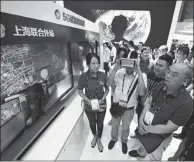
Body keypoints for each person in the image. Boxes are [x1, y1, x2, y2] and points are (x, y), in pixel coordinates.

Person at [128, 63, 193, 160]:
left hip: (161, 136)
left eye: (174, 75)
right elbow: (149, 102)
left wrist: (146, 128)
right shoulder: (161, 84)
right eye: (168, 71)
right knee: (144, 143)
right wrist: (141, 121)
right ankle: (141, 152)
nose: (168, 75)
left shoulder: (187, 103)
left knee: (152, 157)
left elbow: (170, 128)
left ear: (185, 81)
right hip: (147, 124)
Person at [107, 51, 147, 154]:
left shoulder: (141, 75)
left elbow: (142, 92)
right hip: (117, 105)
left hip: (129, 108)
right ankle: (114, 139)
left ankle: (124, 141)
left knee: (125, 127)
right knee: (115, 126)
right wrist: (116, 68)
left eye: (132, 62)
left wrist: (138, 70)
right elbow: (108, 83)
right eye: (128, 61)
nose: (129, 65)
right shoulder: (119, 72)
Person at [130, 54, 173, 138]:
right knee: (140, 118)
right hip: (142, 103)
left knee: (150, 125)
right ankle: (138, 131)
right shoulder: (149, 74)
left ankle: (145, 136)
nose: (157, 67)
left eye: (160, 66)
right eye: (156, 64)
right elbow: (141, 91)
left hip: (154, 109)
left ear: (168, 68)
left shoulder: (168, 82)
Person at [77, 53, 109, 152]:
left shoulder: (103, 75)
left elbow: (107, 89)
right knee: (92, 123)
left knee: (100, 123)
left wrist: (103, 98)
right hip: (89, 105)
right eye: (93, 63)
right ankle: (94, 135)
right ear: (88, 64)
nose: (96, 65)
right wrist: (89, 101)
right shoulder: (83, 76)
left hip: (102, 103)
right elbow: (80, 91)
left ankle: (99, 139)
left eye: (97, 63)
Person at [108, 47, 129, 126]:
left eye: (123, 57)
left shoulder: (128, 67)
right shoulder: (113, 67)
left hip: (124, 94)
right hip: (114, 93)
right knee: (114, 107)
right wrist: (116, 90)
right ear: (117, 56)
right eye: (120, 56)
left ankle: (122, 120)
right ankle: (113, 119)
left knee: (124, 108)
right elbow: (110, 81)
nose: (121, 59)